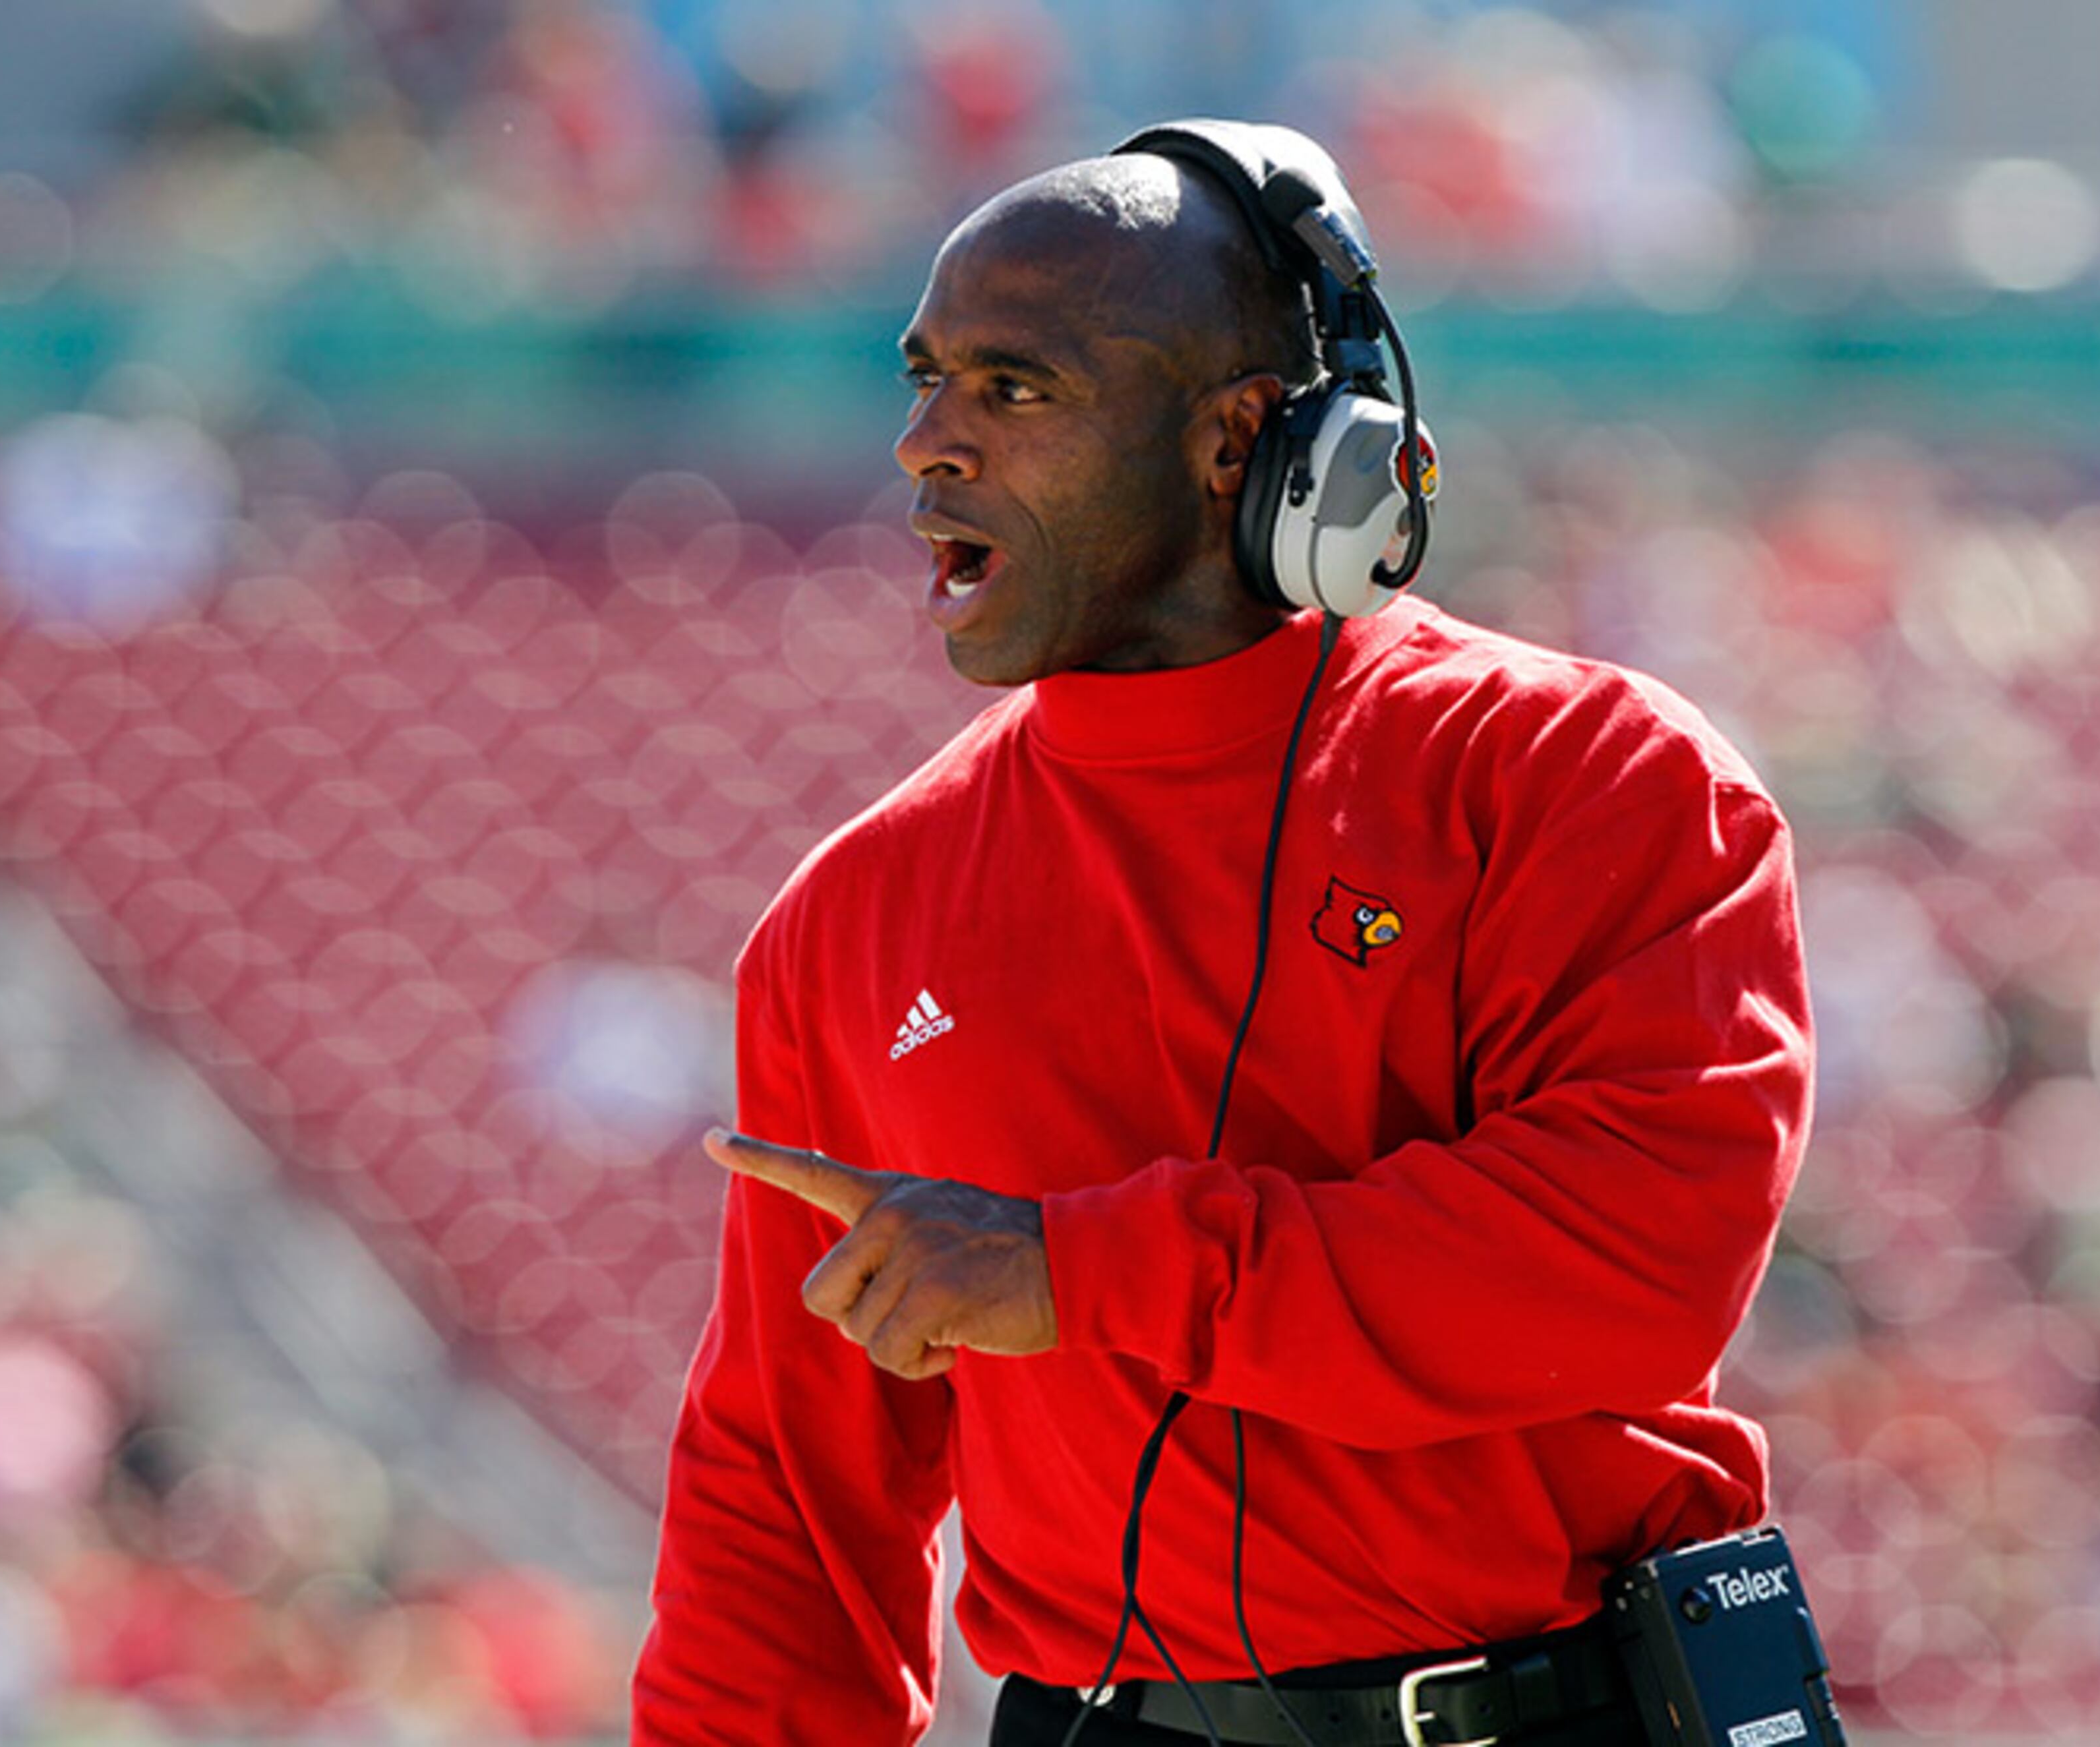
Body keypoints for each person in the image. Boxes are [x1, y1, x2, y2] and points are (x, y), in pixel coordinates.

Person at [630, 119, 1814, 1747]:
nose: (924, 443)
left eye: (1013, 387)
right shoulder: (850, 918)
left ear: (1244, 440)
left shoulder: (1588, 778)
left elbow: (1627, 1259)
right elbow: (784, 1512)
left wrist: (1081, 1271)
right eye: (923, 381)